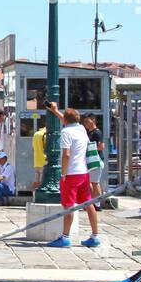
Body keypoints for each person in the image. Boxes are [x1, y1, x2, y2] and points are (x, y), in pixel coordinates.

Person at [46, 102, 100, 248]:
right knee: (88, 204)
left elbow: (66, 155)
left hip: (71, 174)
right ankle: (95, 236)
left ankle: (65, 237)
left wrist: (63, 173)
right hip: (84, 172)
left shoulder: (65, 133)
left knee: (68, 205)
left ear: (65, 121)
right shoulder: (81, 129)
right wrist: (56, 111)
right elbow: (68, 120)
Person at [32, 119, 47, 188]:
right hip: (44, 162)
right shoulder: (45, 134)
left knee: (36, 184)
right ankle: (40, 198)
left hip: (36, 162)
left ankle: (35, 197)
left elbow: (33, 147)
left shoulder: (36, 134)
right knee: (42, 185)